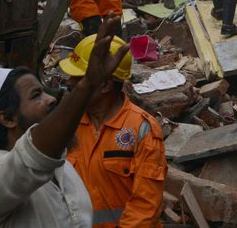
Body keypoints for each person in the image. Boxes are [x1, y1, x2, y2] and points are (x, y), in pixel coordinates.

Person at [0, 17, 128, 227]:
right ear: (7, 118)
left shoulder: (64, 169)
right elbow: (30, 161)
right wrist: (88, 84)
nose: (50, 99)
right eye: (36, 95)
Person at [61, 34, 167, 227]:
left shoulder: (142, 129)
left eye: (78, 77)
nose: (69, 82)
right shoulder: (67, 124)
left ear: (105, 84)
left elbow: (145, 207)